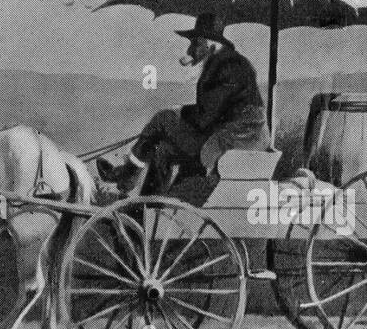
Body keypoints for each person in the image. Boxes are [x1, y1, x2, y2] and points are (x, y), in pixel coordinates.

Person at [99, 13, 269, 195]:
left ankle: (128, 174)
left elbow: (204, 119)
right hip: (227, 134)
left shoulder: (227, 65)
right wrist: (182, 111)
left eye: (195, 44)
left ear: (209, 44)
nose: (190, 50)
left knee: (162, 119)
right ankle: (147, 206)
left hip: (232, 140)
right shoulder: (228, 61)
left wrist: (179, 114)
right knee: (163, 150)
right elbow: (214, 109)